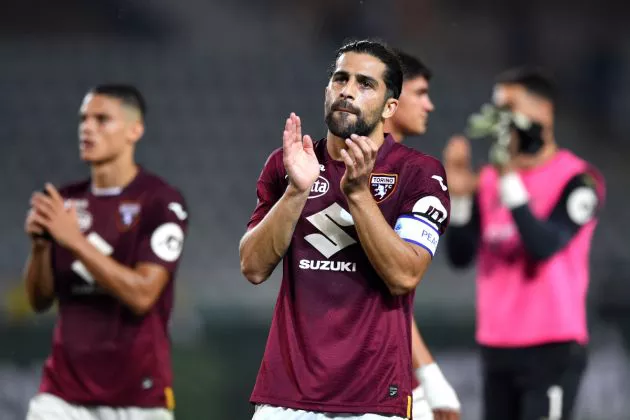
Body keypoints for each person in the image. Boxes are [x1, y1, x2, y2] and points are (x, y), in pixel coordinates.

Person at [239, 39, 450, 420]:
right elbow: (253, 268)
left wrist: (358, 195)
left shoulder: (419, 173)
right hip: (285, 397)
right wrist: (295, 192)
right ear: (327, 90)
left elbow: (404, 275)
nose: (348, 91)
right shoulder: (289, 163)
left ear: (390, 107)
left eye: (365, 84)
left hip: (372, 400)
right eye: (340, 79)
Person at [443, 68, 605, 420]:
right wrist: (459, 199)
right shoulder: (487, 181)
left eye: (508, 108)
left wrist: (508, 181)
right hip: (496, 345)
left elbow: (543, 245)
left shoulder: (579, 180)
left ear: (542, 113)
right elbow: (459, 256)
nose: (500, 120)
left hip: (551, 346)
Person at [23, 85, 188, 420]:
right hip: (61, 397)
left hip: (137, 399)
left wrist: (75, 241)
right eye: (84, 119)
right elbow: (39, 301)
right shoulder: (64, 201)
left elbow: (143, 295)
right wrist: (40, 248)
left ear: (134, 130)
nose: (87, 128)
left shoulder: (160, 202)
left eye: (102, 119)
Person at [384, 50, 461, 420]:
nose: (429, 105)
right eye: (420, 93)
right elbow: (388, 286)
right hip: (372, 373)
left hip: (388, 362)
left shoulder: (408, 168)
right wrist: (428, 373)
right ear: (392, 99)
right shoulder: (386, 177)